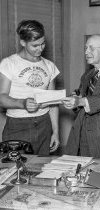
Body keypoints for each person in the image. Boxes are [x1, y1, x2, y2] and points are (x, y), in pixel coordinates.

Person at [0, 20, 60, 155]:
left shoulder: (49, 66)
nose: (40, 48)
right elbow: (1, 97)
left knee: (42, 169)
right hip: (18, 125)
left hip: (44, 124)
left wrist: (55, 132)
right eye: (35, 45)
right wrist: (22, 103)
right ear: (23, 42)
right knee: (17, 171)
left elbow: (53, 102)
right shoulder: (9, 63)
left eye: (43, 43)